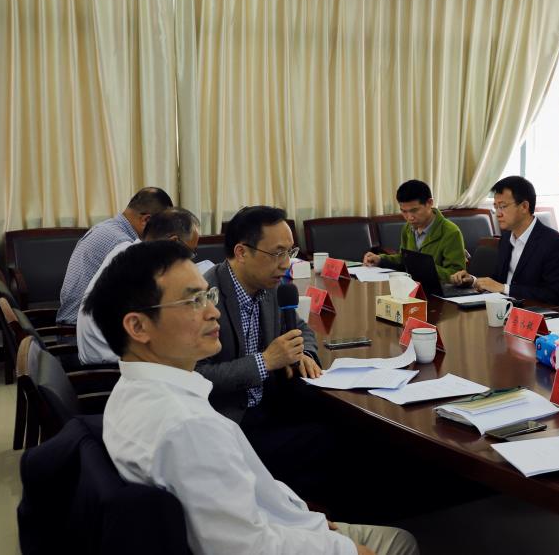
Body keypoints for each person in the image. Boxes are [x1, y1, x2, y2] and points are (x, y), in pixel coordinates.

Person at [83, 241, 418, 555]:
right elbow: (246, 547)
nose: (212, 312)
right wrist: (347, 550)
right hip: (272, 539)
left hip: (278, 523)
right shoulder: (188, 427)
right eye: (193, 301)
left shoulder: (128, 392)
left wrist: (299, 514)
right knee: (402, 541)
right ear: (138, 327)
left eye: (208, 296)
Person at [198, 206, 329, 501]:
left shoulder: (270, 285)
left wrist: (303, 352)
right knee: (326, 440)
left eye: (290, 252)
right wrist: (266, 361)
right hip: (231, 423)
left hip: (272, 401)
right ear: (242, 252)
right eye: (277, 253)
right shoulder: (206, 297)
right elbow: (196, 375)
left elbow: (300, 327)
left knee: (342, 423)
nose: (286, 264)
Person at [76, 207, 200, 364]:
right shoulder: (144, 268)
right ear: (173, 242)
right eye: (190, 253)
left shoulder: (127, 250)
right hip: (110, 363)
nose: (189, 260)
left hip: (101, 351)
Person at [57, 187, 173, 324]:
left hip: (75, 322)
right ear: (146, 220)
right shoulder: (122, 244)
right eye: (163, 226)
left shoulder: (107, 228)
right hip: (80, 329)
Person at [449, 176, 559, 304]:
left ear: (524, 206)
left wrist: (505, 289)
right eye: (496, 207)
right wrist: (473, 281)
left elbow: (554, 295)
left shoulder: (554, 243)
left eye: (503, 206)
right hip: (502, 307)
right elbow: (497, 281)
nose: (498, 213)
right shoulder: (506, 237)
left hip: (532, 311)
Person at [362, 180, 465, 282]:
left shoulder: (451, 232)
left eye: (414, 210)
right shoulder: (407, 228)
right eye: (404, 211)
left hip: (438, 289)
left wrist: (423, 267)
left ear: (429, 203)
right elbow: (404, 259)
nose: (409, 217)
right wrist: (380, 259)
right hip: (411, 286)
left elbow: (456, 274)